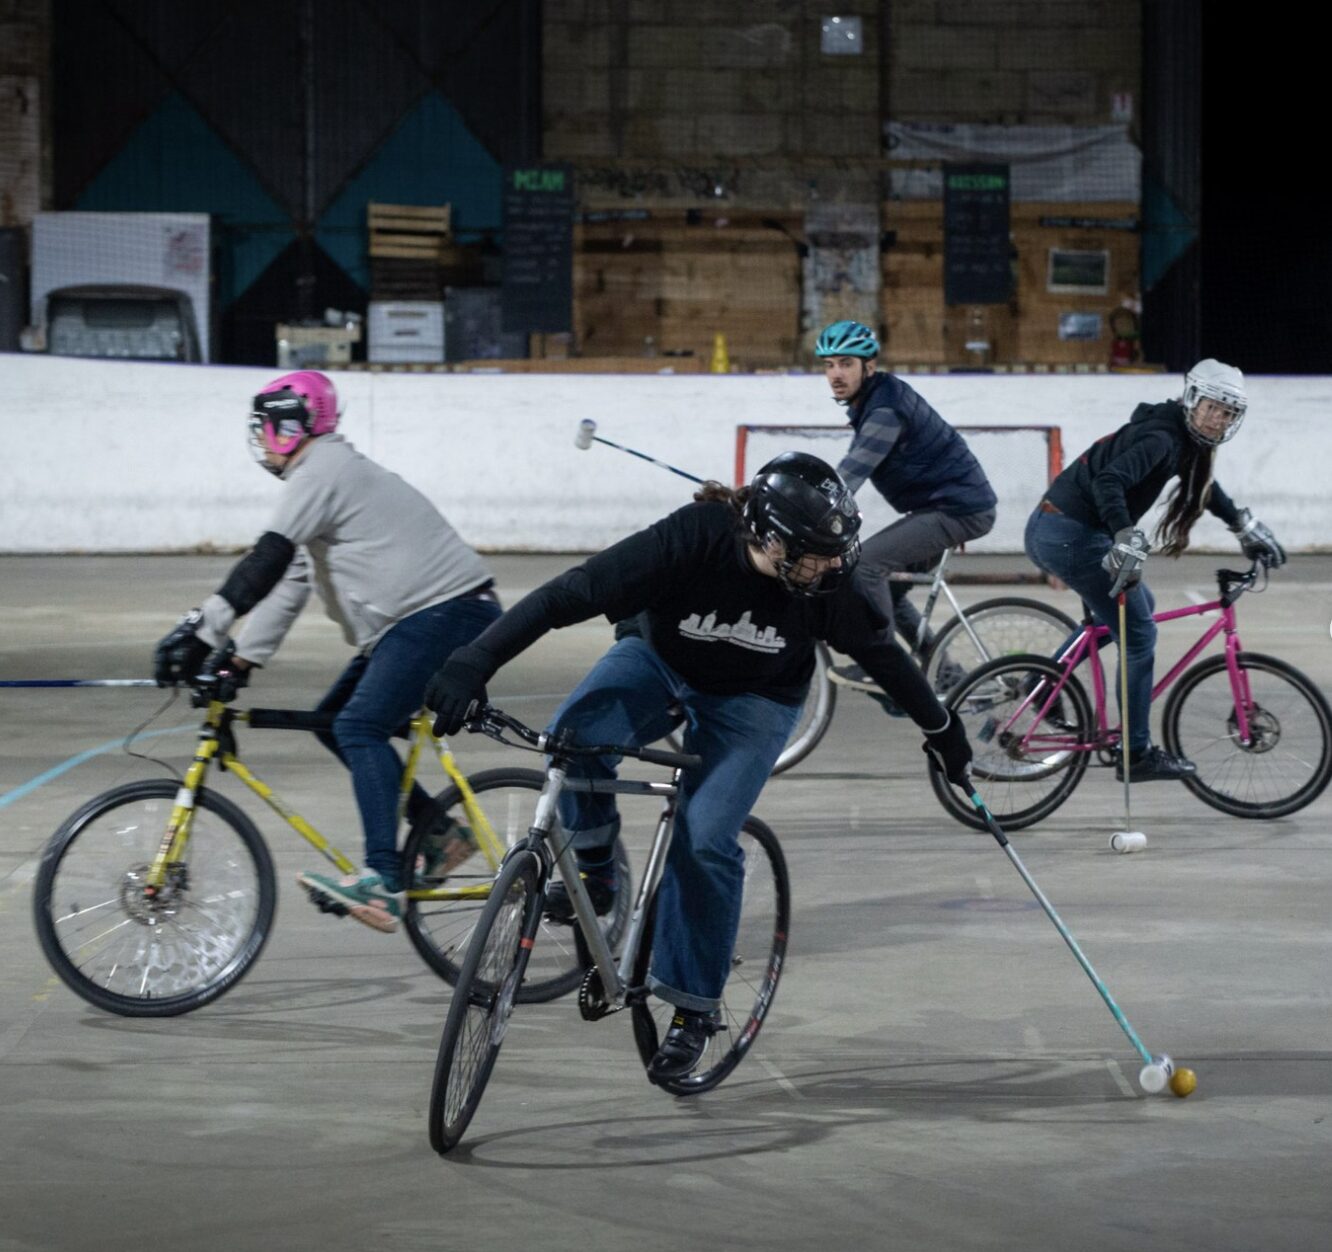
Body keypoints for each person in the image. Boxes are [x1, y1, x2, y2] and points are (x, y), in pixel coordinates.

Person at [424, 452, 973, 1082]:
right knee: (575, 740)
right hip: (659, 663)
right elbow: (567, 594)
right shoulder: (692, 539)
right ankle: (598, 874)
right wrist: (474, 660)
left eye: (836, 553)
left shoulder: (827, 586)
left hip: (757, 700)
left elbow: (881, 653)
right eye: (814, 554)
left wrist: (942, 730)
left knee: (706, 836)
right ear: (766, 537)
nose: (828, 567)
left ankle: (692, 1008)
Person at [153, 370, 502, 932]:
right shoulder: (321, 476)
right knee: (333, 721)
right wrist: (236, 658)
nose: (261, 439)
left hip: (445, 614)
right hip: (419, 620)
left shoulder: (322, 468)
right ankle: (439, 835)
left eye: (264, 427)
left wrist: (201, 630)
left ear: (289, 424)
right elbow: (288, 580)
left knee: (359, 727)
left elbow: (266, 558)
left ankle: (383, 881)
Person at [1024, 358, 1286, 782]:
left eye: (1227, 412)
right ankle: (1136, 752)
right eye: (1211, 407)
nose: (1218, 418)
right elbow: (1108, 482)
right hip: (1069, 536)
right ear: (1192, 398)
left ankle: (1043, 686)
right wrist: (1124, 534)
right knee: (1140, 633)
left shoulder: (1179, 435)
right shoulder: (1163, 438)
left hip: (1060, 527)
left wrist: (1241, 522)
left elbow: (1203, 488)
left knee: (1137, 606)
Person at [813, 320, 999, 702]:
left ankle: (882, 666)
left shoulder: (885, 409)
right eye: (829, 364)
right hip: (945, 507)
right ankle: (946, 676)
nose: (835, 374)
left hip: (957, 509)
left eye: (845, 363)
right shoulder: (877, 399)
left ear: (869, 365)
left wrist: (803, 506)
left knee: (866, 566)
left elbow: (851, 473)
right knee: (891, 593)